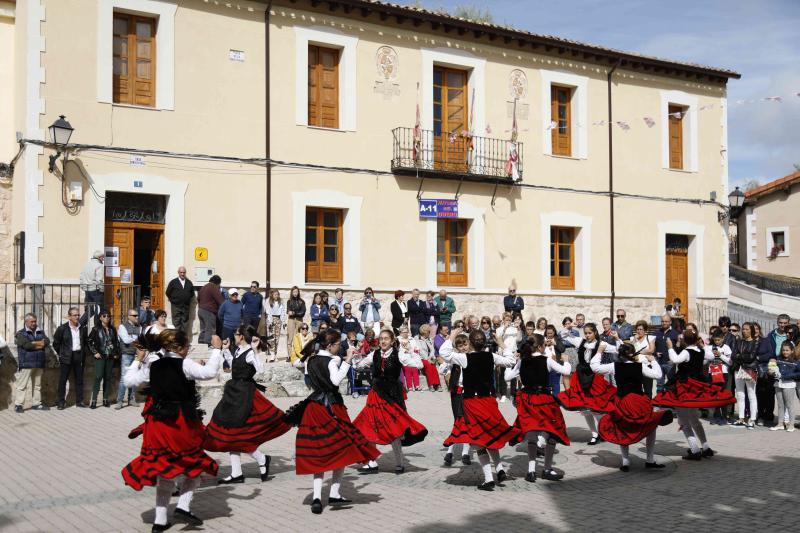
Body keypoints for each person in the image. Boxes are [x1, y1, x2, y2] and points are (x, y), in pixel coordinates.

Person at [122, 330, 224, 531]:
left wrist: (137, 360)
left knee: (164, 471)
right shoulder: (183, 363)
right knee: (193, 465)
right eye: (188, 347)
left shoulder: (154, 364)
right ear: (180, 348)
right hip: (179, 423)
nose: (188, 350)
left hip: (158, 424)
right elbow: (209, 373)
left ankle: (160, 522)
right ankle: (183, 506)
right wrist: (217, 350)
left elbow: (129, 381)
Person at [283, 329, 380, 515]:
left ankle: (318, 497)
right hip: (331, 407)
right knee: (343, 448)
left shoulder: (310, 360)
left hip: (314, 407)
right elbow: (335, 381)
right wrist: (347, 360)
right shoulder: (333, 360)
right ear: (330, 346)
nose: (340, 347)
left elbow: (304, 372)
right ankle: (334, 493)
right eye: (337, 345)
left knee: (319, 451)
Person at [205, 326, 291, 483]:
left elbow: (260, 369)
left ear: (242, 336)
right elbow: (234, 367)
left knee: (238, 433)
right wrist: (225, 350)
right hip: (234, 392)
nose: (234, 335)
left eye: (236, 333)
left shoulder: (250, 352)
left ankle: (260, 460)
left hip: (244, 395)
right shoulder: (238, 350)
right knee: (232, 432)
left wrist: (256, 350)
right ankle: (240, 471)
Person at [441, 329, 518, 490]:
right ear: (485, 343)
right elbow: (510, 361)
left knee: (478, 441)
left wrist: (452, 336)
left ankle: (489, 479)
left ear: (470, 343)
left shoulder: (465, 358)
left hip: (473, 402)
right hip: (488, 401)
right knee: (489, 436)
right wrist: (502, 343)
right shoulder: (491, 356)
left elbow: (444, 353)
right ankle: (499, 469)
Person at [354, 328, 428, 474]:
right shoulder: (374, 354)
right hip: (375, 395)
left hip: (392, 396)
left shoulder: (399, 354)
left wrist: (411, 352)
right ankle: (372, 462)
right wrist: (357, 355)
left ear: (393, 340)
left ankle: (400, 463)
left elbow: (419, 365)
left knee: (395, 430)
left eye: (386, 338)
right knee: (370, 426)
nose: (383, 341)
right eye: (381, 338)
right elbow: (359, 365)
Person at [653, 331, 735, 460]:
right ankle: (706, 447)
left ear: (685, 340)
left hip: (685, 387)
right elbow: (711, 356)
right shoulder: (700, 350)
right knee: (694, 419)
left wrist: (670, 347)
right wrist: (701, 347)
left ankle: (695, 449)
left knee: (684, 420)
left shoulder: (687, 351)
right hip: (695, 386)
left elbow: (675, 359)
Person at [593, 343, 671, 471]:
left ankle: (625, 462)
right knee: (650, 426)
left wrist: (599, 352)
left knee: (623, 428)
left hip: (623, 401)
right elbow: (658, 375)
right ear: (633, 353)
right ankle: (649, 459)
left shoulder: (615, 366)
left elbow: (595, 368)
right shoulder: (640, 366)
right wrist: (653, 361)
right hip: (639, 402)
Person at [505, 334, 572, 482]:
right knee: (553, 431)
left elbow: (507, 377)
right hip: (543, 400)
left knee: (532, 433)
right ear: (541, 347)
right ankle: (547, 469)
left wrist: (509, 364)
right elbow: (566, 372)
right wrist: (567, 362)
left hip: (528, 400)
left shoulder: (522, 361)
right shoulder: (546, 360)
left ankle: (531, 471)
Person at [558, 323, 618, 445]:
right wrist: (569, 327)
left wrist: (617, 338)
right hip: (580, 377)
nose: (587, 335)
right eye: (585, 333)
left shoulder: (601, 344)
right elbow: (563, 335)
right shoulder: (580, 341)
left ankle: (602, 431)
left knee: (596, 408)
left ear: (595, 332)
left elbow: (618, 348)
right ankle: (594, 434)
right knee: (584, 409)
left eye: (589, 333)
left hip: (594, 377)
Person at [440, 331, 472, 467]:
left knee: (466, 421)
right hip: (456, 392)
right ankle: (451, 449)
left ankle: (464, 452)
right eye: (460, 345)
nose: (463, 347)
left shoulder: (472, 357)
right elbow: (442, 370)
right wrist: (446, 363)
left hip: (469, 393)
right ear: (456, 347)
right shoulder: (454, 358)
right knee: (457, 420)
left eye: (465, 344)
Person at [13, 313, 51, 413]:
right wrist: (39, 344)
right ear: (26, 322)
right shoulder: (21, 333)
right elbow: (27, 345)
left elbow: (47, 341)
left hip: (39, 362)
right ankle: (18, 404)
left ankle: (36, 403)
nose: (34, 323)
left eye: (35, 321)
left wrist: (35, 344)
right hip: (27, 363)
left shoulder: (40, 331)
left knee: (37, 385)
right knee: (22, 385)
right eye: (32, 321)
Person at [52, 307, 88, 410]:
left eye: (78, 315)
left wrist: (83, 353)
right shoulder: (62, 328)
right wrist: (61, 353)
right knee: (63, 380)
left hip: (78, 355)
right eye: (75, 315)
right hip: (66, 357)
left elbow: (85, 342)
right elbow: (56, 343)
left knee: (79, 380)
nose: (77, 317)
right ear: (69, 317)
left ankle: (79, 401)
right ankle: (61, 402)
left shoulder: (82, 328)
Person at [87, 310, 120, 409]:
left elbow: (116, 342)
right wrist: (95, 352)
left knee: (108, 378)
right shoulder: (96, 329)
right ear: (100, 318)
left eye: (108, 316)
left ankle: (106, 399)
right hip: (100, 356)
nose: (107, 318)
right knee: (98, 377)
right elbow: (89, 341)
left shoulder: (112, 329)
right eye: (104, 316)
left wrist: (115, 353)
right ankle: (94, 400)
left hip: (110, 356)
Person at [732, 322, 760, 429]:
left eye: (747, 329)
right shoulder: (739, 341)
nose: (744, 331)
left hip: (749, 369)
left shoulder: (755, 342)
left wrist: (740, 356)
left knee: (751, 394)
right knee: (740, 394)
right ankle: (741, 418)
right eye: (743, 329)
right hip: (738, 369)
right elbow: (734, 356)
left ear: (752, 330)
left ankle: (752, 419)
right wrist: (742, 356)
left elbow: (751, 357)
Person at [769, 341, 800, 432]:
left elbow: (798, 374)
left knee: (789, 405)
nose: (785, 352)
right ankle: (780, 424)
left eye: (787, 350)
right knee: (780, 405)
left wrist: (785, 376)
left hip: (789, 385)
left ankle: (791, 425)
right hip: (778, 384)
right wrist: (771, 369)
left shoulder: (796, 362)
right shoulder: (778, 359)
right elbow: (771, 369)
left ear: (792, 351)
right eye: (783, 350)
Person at [705, 328, 732, 425]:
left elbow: (730, 361)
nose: (717, 342)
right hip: (712, 373)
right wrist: (713, 354)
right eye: (715, 340)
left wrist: (721, 355)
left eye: (719, 340)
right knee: (715, 395)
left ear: (723, 338)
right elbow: (706, 358)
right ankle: (716, 415)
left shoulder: (726, 347)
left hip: (723, 373)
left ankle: (724, 416)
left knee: (722, 395)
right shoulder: (709, 347)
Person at [116, 308, 141, 409]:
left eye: (137, 315)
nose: (137, 317)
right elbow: (126, 340)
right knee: (123, 378)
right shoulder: (123, 326)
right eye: (135, 315)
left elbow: (141, 340)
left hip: (136, 354)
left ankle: (131, 399)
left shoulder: (140, 327)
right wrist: (135, 338)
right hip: (126, 354)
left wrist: (132, 337)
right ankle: (120, 401)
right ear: (129, 316)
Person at [652, 312, 680, 392]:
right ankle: (659, 402)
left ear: (670, 322)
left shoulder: (675, 334)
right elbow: (652, 347)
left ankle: (670, 402)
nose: (664, 323)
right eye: (662, 321)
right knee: (659, 385)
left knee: (671, 384)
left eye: (666, 321)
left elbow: (677, 348)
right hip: (659, 362)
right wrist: (655, 353)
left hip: (669, 363)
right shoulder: (656, 333)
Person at [165, 266, 195, 335]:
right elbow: (167, 292)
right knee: (176, 323)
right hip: (176, 306)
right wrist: (173, 300)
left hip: (186, 307)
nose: (182, 274)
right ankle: (176, 340)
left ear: (185, 273)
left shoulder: (189, 282)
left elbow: (192, 294)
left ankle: (183, 340)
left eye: (184, 272)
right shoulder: (173, 282)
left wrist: (186, 299)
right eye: (181, 272)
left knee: (185, 324)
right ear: (178, 273)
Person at [79, 250, 105, 326]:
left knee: (90, 311)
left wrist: (83, 287)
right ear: (99, 257)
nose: (103, 259)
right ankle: (97, 328)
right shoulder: (99, 266)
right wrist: (102, 291)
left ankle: (79, 325)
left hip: (87, 290)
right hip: (96, 290)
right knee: (99, 310)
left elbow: (81, 277)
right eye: (102, 257)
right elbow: (99, 280)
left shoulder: (86, 264)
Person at [631, 320, 656, 397]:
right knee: (636, 389)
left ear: (645, 330)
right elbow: (630, 350)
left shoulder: (650, 338)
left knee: (648, 389)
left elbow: (651, 350)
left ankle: (648, 406)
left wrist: (641, 352)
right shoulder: (633, 338)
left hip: (647, 366)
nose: (639, 331)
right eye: (637, 329)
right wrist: (634, 340)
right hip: (635, 367)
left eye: (641, 329)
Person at [197, 275, 223, 345]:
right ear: (218, 283)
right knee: (210, 329)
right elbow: (220, 300)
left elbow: (198, 298)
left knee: (203, 329)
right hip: (209, 311)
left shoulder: (204, 287)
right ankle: (208, 344)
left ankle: (201, 343)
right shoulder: (214, 287)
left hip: (200, 310)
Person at [416, 324, 441, 391]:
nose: (430, 333)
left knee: (433, 365)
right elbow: (420, 351)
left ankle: (438, 384)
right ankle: (431, 384)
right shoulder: (417, 339)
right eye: (429, 332)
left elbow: (432, 349)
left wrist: (431, 357)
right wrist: (427, 359)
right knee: (428, 365)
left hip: (429, 358)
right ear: (425, 332)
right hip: (422, 358)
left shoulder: (429, 339)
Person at [398, 326, 423, 392]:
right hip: (404, 358)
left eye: (407, 332)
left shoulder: (412, 339)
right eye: (404, 332)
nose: (405, 333)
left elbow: (417, 347)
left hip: (412, 357)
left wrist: (415, 349)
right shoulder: (398, 340)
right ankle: (409, 387)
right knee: (408, 369)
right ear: (400, 333)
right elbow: (398, 350)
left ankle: (417, 386)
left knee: (415, 369)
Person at [264, 289, 286, 360]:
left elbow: (283, 311)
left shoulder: (281, 301)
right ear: (272, 295)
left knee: (277, 337)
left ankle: (275, 353)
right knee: (271, 337)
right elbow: (267, 311)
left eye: (277, 294)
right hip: (271, 319)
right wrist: (270, 321)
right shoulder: (268, 301)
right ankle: (272, 353)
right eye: (275, 294)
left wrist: (283, 321)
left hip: (278, 319)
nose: (276, 296)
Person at [286, 287, 306, 361]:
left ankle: (298, 354)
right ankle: (290, 355)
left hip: (299, 320)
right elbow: (288, 312)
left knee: (298, 337)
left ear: (298, 292)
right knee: (290, 337)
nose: (295, 293)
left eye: (296, 292)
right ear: (292, 292)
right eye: (294, 292)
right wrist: (293, 313)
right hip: (291, 320)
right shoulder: (289, 301)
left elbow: (302, 313)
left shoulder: (302, 301)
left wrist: (294, 313)